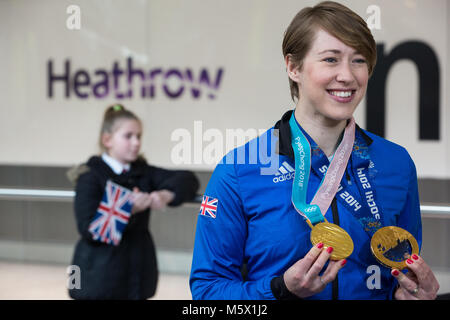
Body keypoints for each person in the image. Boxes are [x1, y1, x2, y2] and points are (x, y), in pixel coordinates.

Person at [190, 1, 439, 300]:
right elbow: (207, 293)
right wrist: (280, 290)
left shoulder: (396, 162)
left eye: (359, 60)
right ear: (293, 67)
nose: (347, 75)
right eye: (331, 59)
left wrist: (409, 295)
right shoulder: (239, 170)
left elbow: (401, 275)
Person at [68, 104, 199, 300]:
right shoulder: (90, 176)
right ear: (107, 140)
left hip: (137, 277)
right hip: (97, 278)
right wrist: (128, 208)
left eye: (139, 136)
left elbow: (188, 179)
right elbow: (88, 229)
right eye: (128, 136)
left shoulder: (142, 172)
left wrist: (166, 195)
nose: (136, 143)